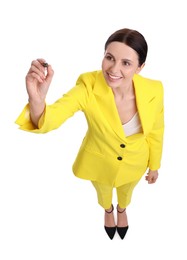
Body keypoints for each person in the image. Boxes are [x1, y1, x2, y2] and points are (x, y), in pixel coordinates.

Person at [15, 28, 164, 240]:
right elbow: (53, 118)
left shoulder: (155, 90)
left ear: (140, 67)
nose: (113, 69)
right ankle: (108, 210)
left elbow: (157, 130)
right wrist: (37, 100)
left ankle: (122, 209)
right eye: (109, 58)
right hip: (99, 160)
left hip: (136, 162)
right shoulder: (88, 85)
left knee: (127, 190)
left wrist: (155, 165)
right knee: (103, 192)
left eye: (126, 63)